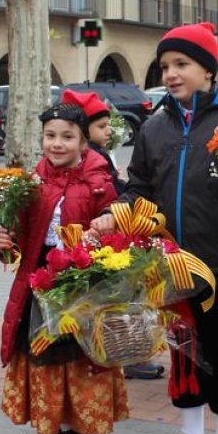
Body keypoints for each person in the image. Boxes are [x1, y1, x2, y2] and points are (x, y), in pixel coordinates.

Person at [90, 22, 218, 434]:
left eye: (182, 64)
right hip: (171, 263)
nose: (171, 74)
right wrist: (114, 214)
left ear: (209, 69)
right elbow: (139, 188)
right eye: (164, 66)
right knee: (185, 355)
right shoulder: (155, 128)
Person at [0, 103, 124, 434]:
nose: (57, 143)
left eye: (67, 137)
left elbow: (118, 234)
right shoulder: (30, 182)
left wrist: (102, 232)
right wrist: (5, 245)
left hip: (84, 286)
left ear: (84, 143)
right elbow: (19, 241)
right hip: (39, 284)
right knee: (51, 361)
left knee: (82, 361)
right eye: (50, 136)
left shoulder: (100, 182)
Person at [61, 88, 165, 381]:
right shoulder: (90, 158)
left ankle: (126, 353)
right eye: (101, 126)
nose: (108, 131)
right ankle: (124, 354)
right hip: (99, 239)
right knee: (114, 301)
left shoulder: (99, 155)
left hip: (109, 234)